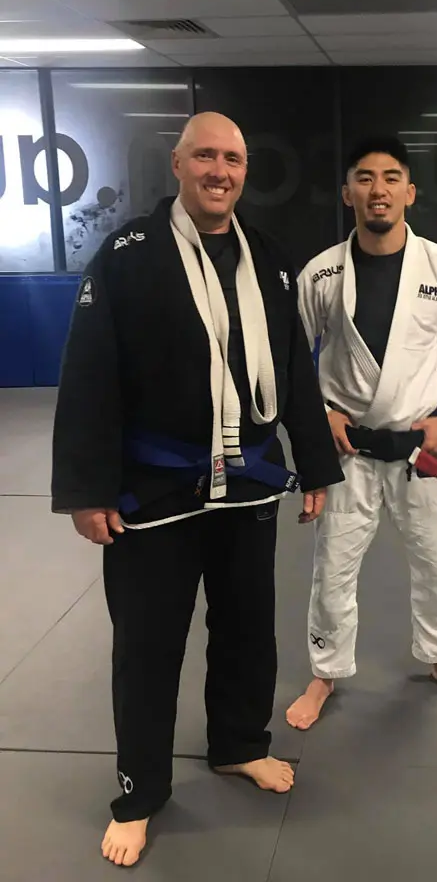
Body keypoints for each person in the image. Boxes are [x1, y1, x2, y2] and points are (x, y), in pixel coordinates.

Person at [51, 112, 343, 868]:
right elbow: (89, 378)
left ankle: (238, 744)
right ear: (177, 165)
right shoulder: (126, 255)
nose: (221, 170)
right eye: (206, 156)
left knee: (248, 629)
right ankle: (139, 791)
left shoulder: (270, 260)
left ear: (246, 171)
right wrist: (89, 489)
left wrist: (314, 465)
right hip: (153, 488)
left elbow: (296, 375)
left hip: (248, 482)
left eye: (234, 158)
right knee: (147, 647)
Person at [285, 137, 437, 730]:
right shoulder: (321, 272)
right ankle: (325, 671)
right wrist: (320, 414)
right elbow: (294, 357)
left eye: (392, 177)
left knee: (436, 563)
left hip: (419, 448)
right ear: (348, 192)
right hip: (348, 448)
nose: (380, 190)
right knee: (334, 565)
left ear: (410, 192)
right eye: (366, 178)